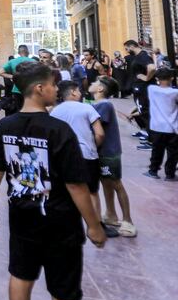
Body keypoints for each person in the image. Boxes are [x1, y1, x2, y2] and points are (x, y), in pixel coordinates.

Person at [0, 61, 107, 300]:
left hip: (21, 216)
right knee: (63, 288)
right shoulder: (59, 130)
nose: (55, 90)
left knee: (21, 275)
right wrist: (94, 225)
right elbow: (76, 186)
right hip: (60, 221)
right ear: (39, 88)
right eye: (52, 85)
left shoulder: (5, 126)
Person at [51, 81, 118, 238]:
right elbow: (100, 133)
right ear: (73, 92)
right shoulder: (87, 108)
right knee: (92, 192)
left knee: (64, 190)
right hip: (87, 155)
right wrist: (93, 146)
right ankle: (96, 225)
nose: (81, 93)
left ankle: (64, 226)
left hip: (63, 157)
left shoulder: (55, 111)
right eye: (79, 91)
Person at [90, 76, 136, 237]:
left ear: (101, 89)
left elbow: (95, 128)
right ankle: (111, 214)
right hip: (102, 152)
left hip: (108, 152)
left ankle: (128, 220)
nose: (91, 84)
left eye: (95, 82)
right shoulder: (98, 105)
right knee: (106, 183)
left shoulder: (104, 105)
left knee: (116, 184)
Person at [144, 68, 178, 180]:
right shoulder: (175, 92)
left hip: (157, 127)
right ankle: (170, 174)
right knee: (172, 152)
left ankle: (153, 170)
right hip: (173, 127)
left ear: (157, 79)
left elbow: (152, 73)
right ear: (172, 78)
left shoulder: (152, 89)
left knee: (157, 150)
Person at [0, 45, 36, 114]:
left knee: (19, 110)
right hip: (30, 90)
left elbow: (0, 72)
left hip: (16, 90)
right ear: (27, 51)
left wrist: (13, 76)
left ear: (18, 52)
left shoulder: (12, 61)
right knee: (31, 110)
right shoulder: (33, 61)